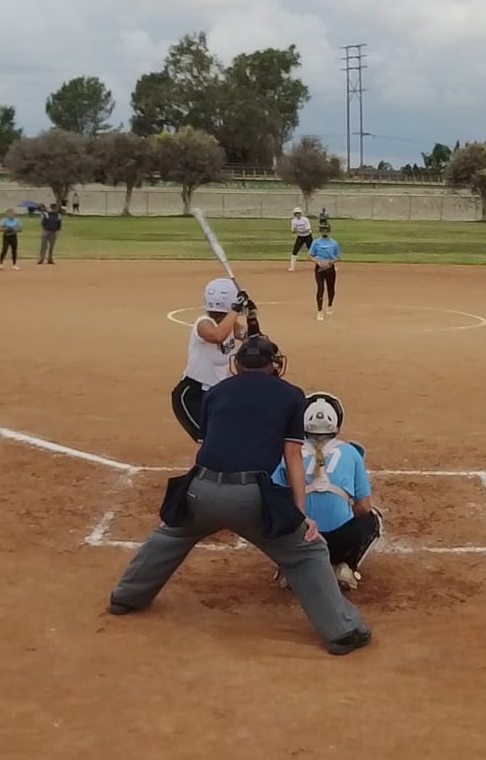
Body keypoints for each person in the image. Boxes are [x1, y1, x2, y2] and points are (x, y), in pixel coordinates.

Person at [108, 334, 372, 656]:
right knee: (308, 551)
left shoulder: (216, 392)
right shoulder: (291, 395)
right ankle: (342, 631)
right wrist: (300, 516)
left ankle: (125, 597)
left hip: (200, 490)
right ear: (274, 364)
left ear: (238, 363)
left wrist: (190, 498)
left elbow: (204, 450)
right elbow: (292, 458)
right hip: (250, 498)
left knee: (169, 535)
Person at [271, 392, 382, 591]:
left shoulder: (286, 451)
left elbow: (273, 498)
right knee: (373, 519)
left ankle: (290, 567)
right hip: (339, 541)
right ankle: (345, 566)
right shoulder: (351, 452)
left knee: (273, 514)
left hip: (301, 538)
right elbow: (363, 507)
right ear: (336, 424)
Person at [172, 279, 249, 441]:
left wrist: (252, 315)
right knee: (210, 441)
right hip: (193, 395)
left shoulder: (229, 324)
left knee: (224, 439)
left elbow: (250, 336)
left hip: (217, 394)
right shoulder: (204, 323)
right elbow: (217, 335)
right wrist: (235, 309)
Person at [311, 222, 341, 321]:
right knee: (320, 288)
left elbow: (338, 257)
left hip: (330, 267)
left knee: (331, 288)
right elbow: (311, 255)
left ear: (329, 231)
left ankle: (330, 305)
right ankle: (319, 311)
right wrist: (318, 262)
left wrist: (331, 262)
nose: (324, 232)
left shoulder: (334, 243)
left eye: (326, 231)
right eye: (323, 231)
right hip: (319, 268)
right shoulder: (316, 242)